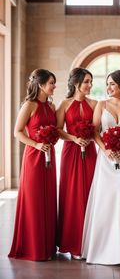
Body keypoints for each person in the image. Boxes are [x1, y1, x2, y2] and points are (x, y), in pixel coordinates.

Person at [81, 70, 120, 265]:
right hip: (106, 159)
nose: (108, 88)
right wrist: (106, 150)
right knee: (105, 199)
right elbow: (95, 132)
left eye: (112, 84)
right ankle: (100, 248)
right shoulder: (101, 105)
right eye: (107, 84)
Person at [9, 69, 57, 261]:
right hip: (34, 156)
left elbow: (56, 130)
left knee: (48, 199)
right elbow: (18, 132)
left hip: (50, 155)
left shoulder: (52, 107)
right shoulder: (29, 105)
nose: (54, 86)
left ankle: (47, 247)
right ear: (41, 85)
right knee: (34, 200)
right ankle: (33, 248)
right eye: (51, 83)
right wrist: (37, 144)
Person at [57, 67, 97, 259]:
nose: (90, 85)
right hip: (70, 152)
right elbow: (57, 130)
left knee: (90, 192)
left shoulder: (95, 104)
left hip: (90, 151)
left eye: (91, 82)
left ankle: (89, 242)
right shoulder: (64, 104)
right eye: (87, 82)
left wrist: (89, 139)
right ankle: (72, 243)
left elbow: (98, 129)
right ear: (76, 83)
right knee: (71, 194)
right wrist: (74, 138)